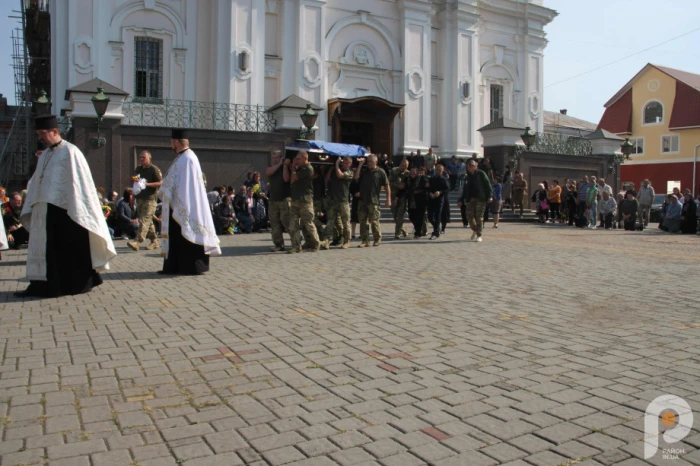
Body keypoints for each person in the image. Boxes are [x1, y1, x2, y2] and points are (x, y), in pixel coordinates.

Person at [14, 114, 116, 297]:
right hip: (44, 210)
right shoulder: (45, 154)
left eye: (42, 133)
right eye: (37, 134)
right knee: (46, 250)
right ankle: (42, 284)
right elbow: (38, 181)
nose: (40, 138)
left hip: (66, 212)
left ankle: (68, 285)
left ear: (55, 131)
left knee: (65, 250)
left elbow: (80, 185)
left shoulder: (71, 151)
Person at [158, 129, 221, 275]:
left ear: (176, 142)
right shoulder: (184, 157)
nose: (171, 146)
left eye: (171, 143)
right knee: (177, 237)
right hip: (180, 204)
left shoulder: (187, 159)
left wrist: (166, 189)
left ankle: (189, 267)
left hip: (185, 205)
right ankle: (176, 266)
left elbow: (182, 185)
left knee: (184, 235)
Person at [288, 150, 326, 253]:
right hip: (296, 199)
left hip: (305, 200)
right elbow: (291, 179)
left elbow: (294, 177)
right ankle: (296, 246)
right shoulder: (299, 168)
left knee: (308, 223)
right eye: (296, 159)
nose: (297, 161)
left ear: (305, 158)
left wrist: (293, 168)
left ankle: (316, 243)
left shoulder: (308, 168)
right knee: (293, 224)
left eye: (299, 159)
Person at [127, 150, 162, 251]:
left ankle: (137, 241)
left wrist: (147, 184)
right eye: (140, 157)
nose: (141, 159)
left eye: (144, 157)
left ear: (149, 159)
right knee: (148, 221)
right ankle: (154, 241)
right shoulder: (138, 169)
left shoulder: (154, 169)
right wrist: (133, 196)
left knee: (144, 220)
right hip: (140, 198)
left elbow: (160, 183)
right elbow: (135, 182)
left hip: (150, 199)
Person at [355, 154, 391, 247]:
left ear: (376, 162)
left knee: (374, 221)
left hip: (373, 200)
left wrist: (388, 199)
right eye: (368, 161)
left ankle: (377, 239)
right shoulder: (364, 170)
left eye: (371, 161)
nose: (369, 163)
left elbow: (387, 186)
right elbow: (356, 177)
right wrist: (360, 165)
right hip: (362, 200)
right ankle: (365, 241)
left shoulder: (381, 172)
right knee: (363, 222)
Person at [459, 159, 493, 242]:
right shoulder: (467, 177)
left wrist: (490, 196)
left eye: (473, 166)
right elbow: (465, 190)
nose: (471, 168)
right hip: (470, 199)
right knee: (469, 216)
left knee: (479, 216)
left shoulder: (481, 174)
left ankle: (479, 235)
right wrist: (461, 199)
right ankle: (475, 229)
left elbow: (487, 184)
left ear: (476, 166)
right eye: (469, 166)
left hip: (480, 198)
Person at [265, 150, 292, 252]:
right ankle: (279, 244)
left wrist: (284, 166)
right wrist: (280, 164)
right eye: (274, 157)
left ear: (281, 157)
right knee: (274, 223)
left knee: (287, 222)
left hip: (284, 199)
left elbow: (286, 179)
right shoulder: (270, 166)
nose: (275, 159)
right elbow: (268, 172)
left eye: (277, 157)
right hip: (273, 200)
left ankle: (296, 242)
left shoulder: (285, 167)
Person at [325, 156, 353, 248]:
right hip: (333, 200)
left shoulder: (349, 172)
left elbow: (340, 175)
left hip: (343, 201)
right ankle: (326, 240)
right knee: (330, 222)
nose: (344, 164)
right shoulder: (336, 170)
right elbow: (328, 178)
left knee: (345, 222)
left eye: (346, 163)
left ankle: (347, 241)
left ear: (350, 164)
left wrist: (336, 164)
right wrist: (332, 168)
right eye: (343, 162)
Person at [426, 164, 449, 240]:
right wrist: (430, 193)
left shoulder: (443, 179)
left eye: (440, 170)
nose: (438, 171)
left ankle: (435, 233)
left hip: (439, 200)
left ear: (442, 171)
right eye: (437, 170)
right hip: (431, 199)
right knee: (430, 216)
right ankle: (437, 228)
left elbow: (447, 189)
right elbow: (428, 188)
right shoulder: (431, 178)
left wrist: (440, 192)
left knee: (437, 216)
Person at [389, 158, 410, 239]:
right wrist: (398, 186)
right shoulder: (394, 171)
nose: (404, 168)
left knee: (400, 215)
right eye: (402, 166)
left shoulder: (408, 174)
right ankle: (403, 228)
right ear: (400, 164)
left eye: (406, 166)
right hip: (393, 196)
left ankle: (397, 233)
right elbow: (389, 182)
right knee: (395, 215)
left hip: (402, 197)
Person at [407, 167, 429, 238]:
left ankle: (418, 233)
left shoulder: (422, 178)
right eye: (411, 171)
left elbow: (427, 184)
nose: (413, 173)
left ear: (416, 173)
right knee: (411, 216)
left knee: (420, 217)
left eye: (414, 172)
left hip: (421, 200)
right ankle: (418, 229)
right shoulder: (408, 179)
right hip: (412, 200)